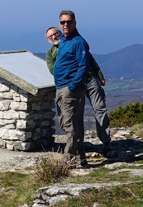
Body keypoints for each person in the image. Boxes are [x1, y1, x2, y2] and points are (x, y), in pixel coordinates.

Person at [45, 25, 112, 156]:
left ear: (60, 33)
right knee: (76, 116)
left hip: (90, 79)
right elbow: (54, 70)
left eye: (55, 33)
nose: (54, 37)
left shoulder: (75, 42)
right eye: (50, 36)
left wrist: (100, 75)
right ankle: (79, 148)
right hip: (73, 85)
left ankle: (106, 142)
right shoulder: (51, 54)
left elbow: (90, 59)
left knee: (100, 109)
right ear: (48, 39)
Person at [52, 10, 90, 166]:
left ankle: (68, 158)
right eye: (62, 22)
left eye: (68, 22)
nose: (65, 25)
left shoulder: (78, 42)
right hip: (63, 87)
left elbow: (83, 65)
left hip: (70, 88)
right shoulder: (64, 41)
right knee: (72, 122)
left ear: (75, 23)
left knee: (69, 124)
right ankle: (81, 157)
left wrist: (73, 86)